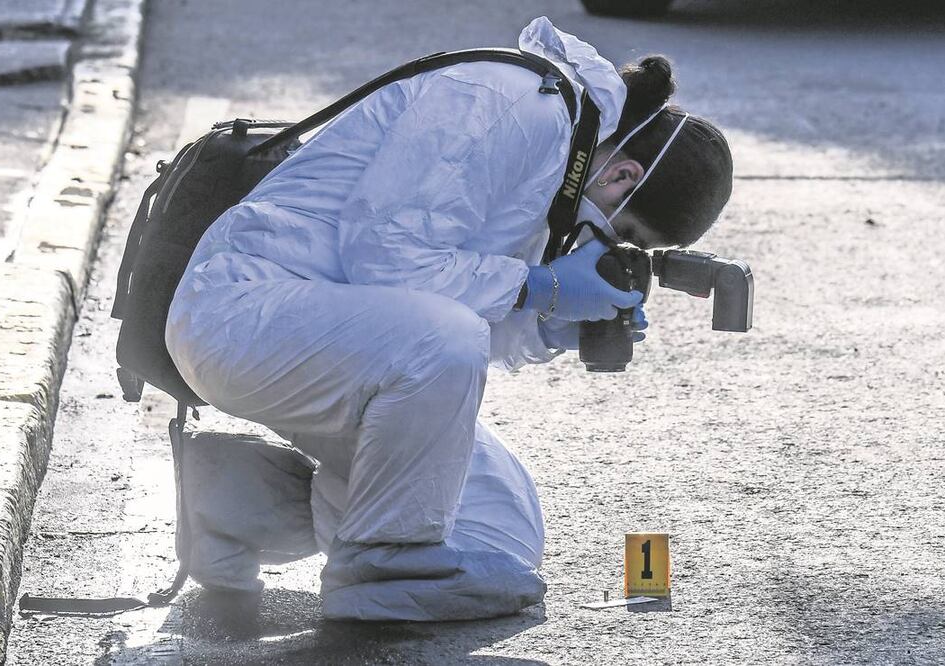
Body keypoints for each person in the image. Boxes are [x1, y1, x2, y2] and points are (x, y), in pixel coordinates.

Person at [165, 16, 733, 622]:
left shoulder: (561, 146)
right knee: (446, 344)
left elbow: (436, 316)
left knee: (500, 533)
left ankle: (229, 502)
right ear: (622, 177)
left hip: (335, 338)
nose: (605, 243)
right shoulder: (513, 105)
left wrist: (549, 324)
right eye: (624, 232)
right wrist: (537, 287)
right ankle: (379, 564)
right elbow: (386, 258)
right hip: (245, 312)